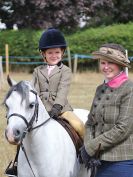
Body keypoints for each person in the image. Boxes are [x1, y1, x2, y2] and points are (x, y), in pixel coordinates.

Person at [5, 28, 84, 177]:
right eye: (50, 53)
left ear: (62, 53)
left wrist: (56, 107)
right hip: (40, 110)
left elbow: (63, 91)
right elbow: (33, 90)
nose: (54, 56)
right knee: (24, 135)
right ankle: (16, 165)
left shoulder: (65, 71)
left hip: (61, 109)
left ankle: (86, 157)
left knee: (79, 126)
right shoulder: (37, 71)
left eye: (57, 52)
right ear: (43, 54)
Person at [79, 43, 133, 177]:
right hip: (98, 161)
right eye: (103, 63)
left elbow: (122, 128)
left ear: (120, 65)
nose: (106, 67)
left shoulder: (129, 89)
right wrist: (88, 146)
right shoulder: (100, 89)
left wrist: (90, 148)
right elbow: (90, 123)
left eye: (110, 63)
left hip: (122, 161)